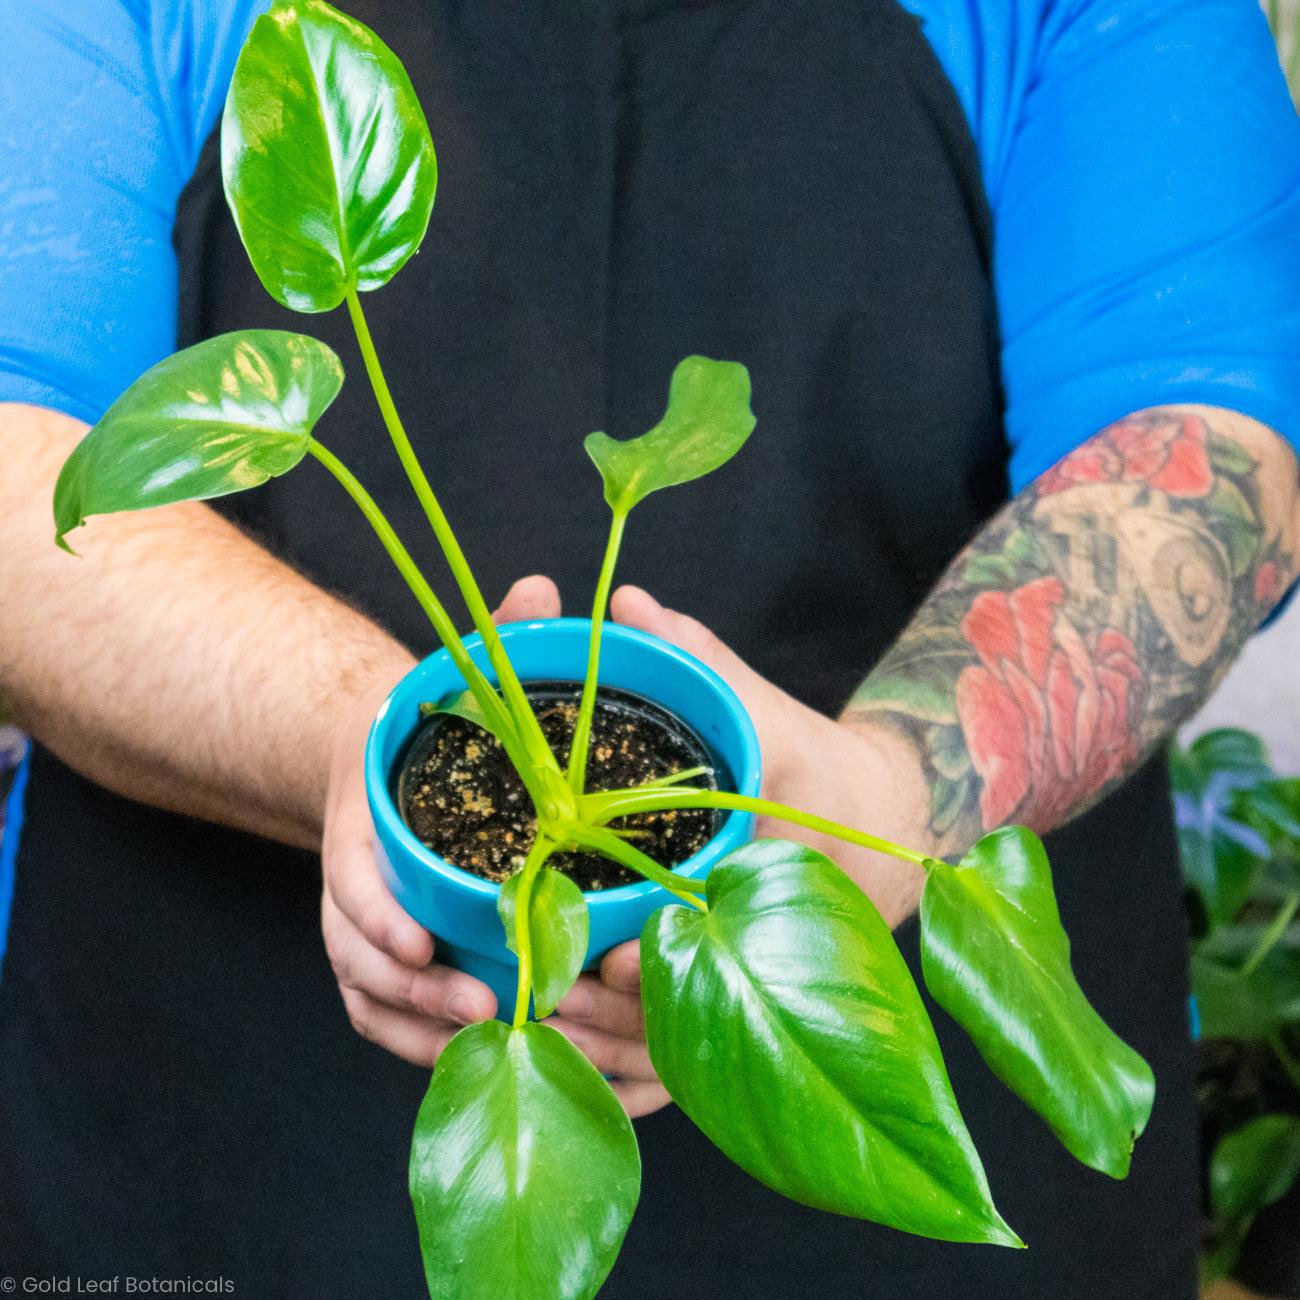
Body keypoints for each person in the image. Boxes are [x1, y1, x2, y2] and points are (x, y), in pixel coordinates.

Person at [2, 0, 1299, 1294]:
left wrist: (888, 798)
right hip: (218, 1153)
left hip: (896, 1163)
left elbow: (1207, 458)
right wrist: (361, 736)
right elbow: (20, 470)